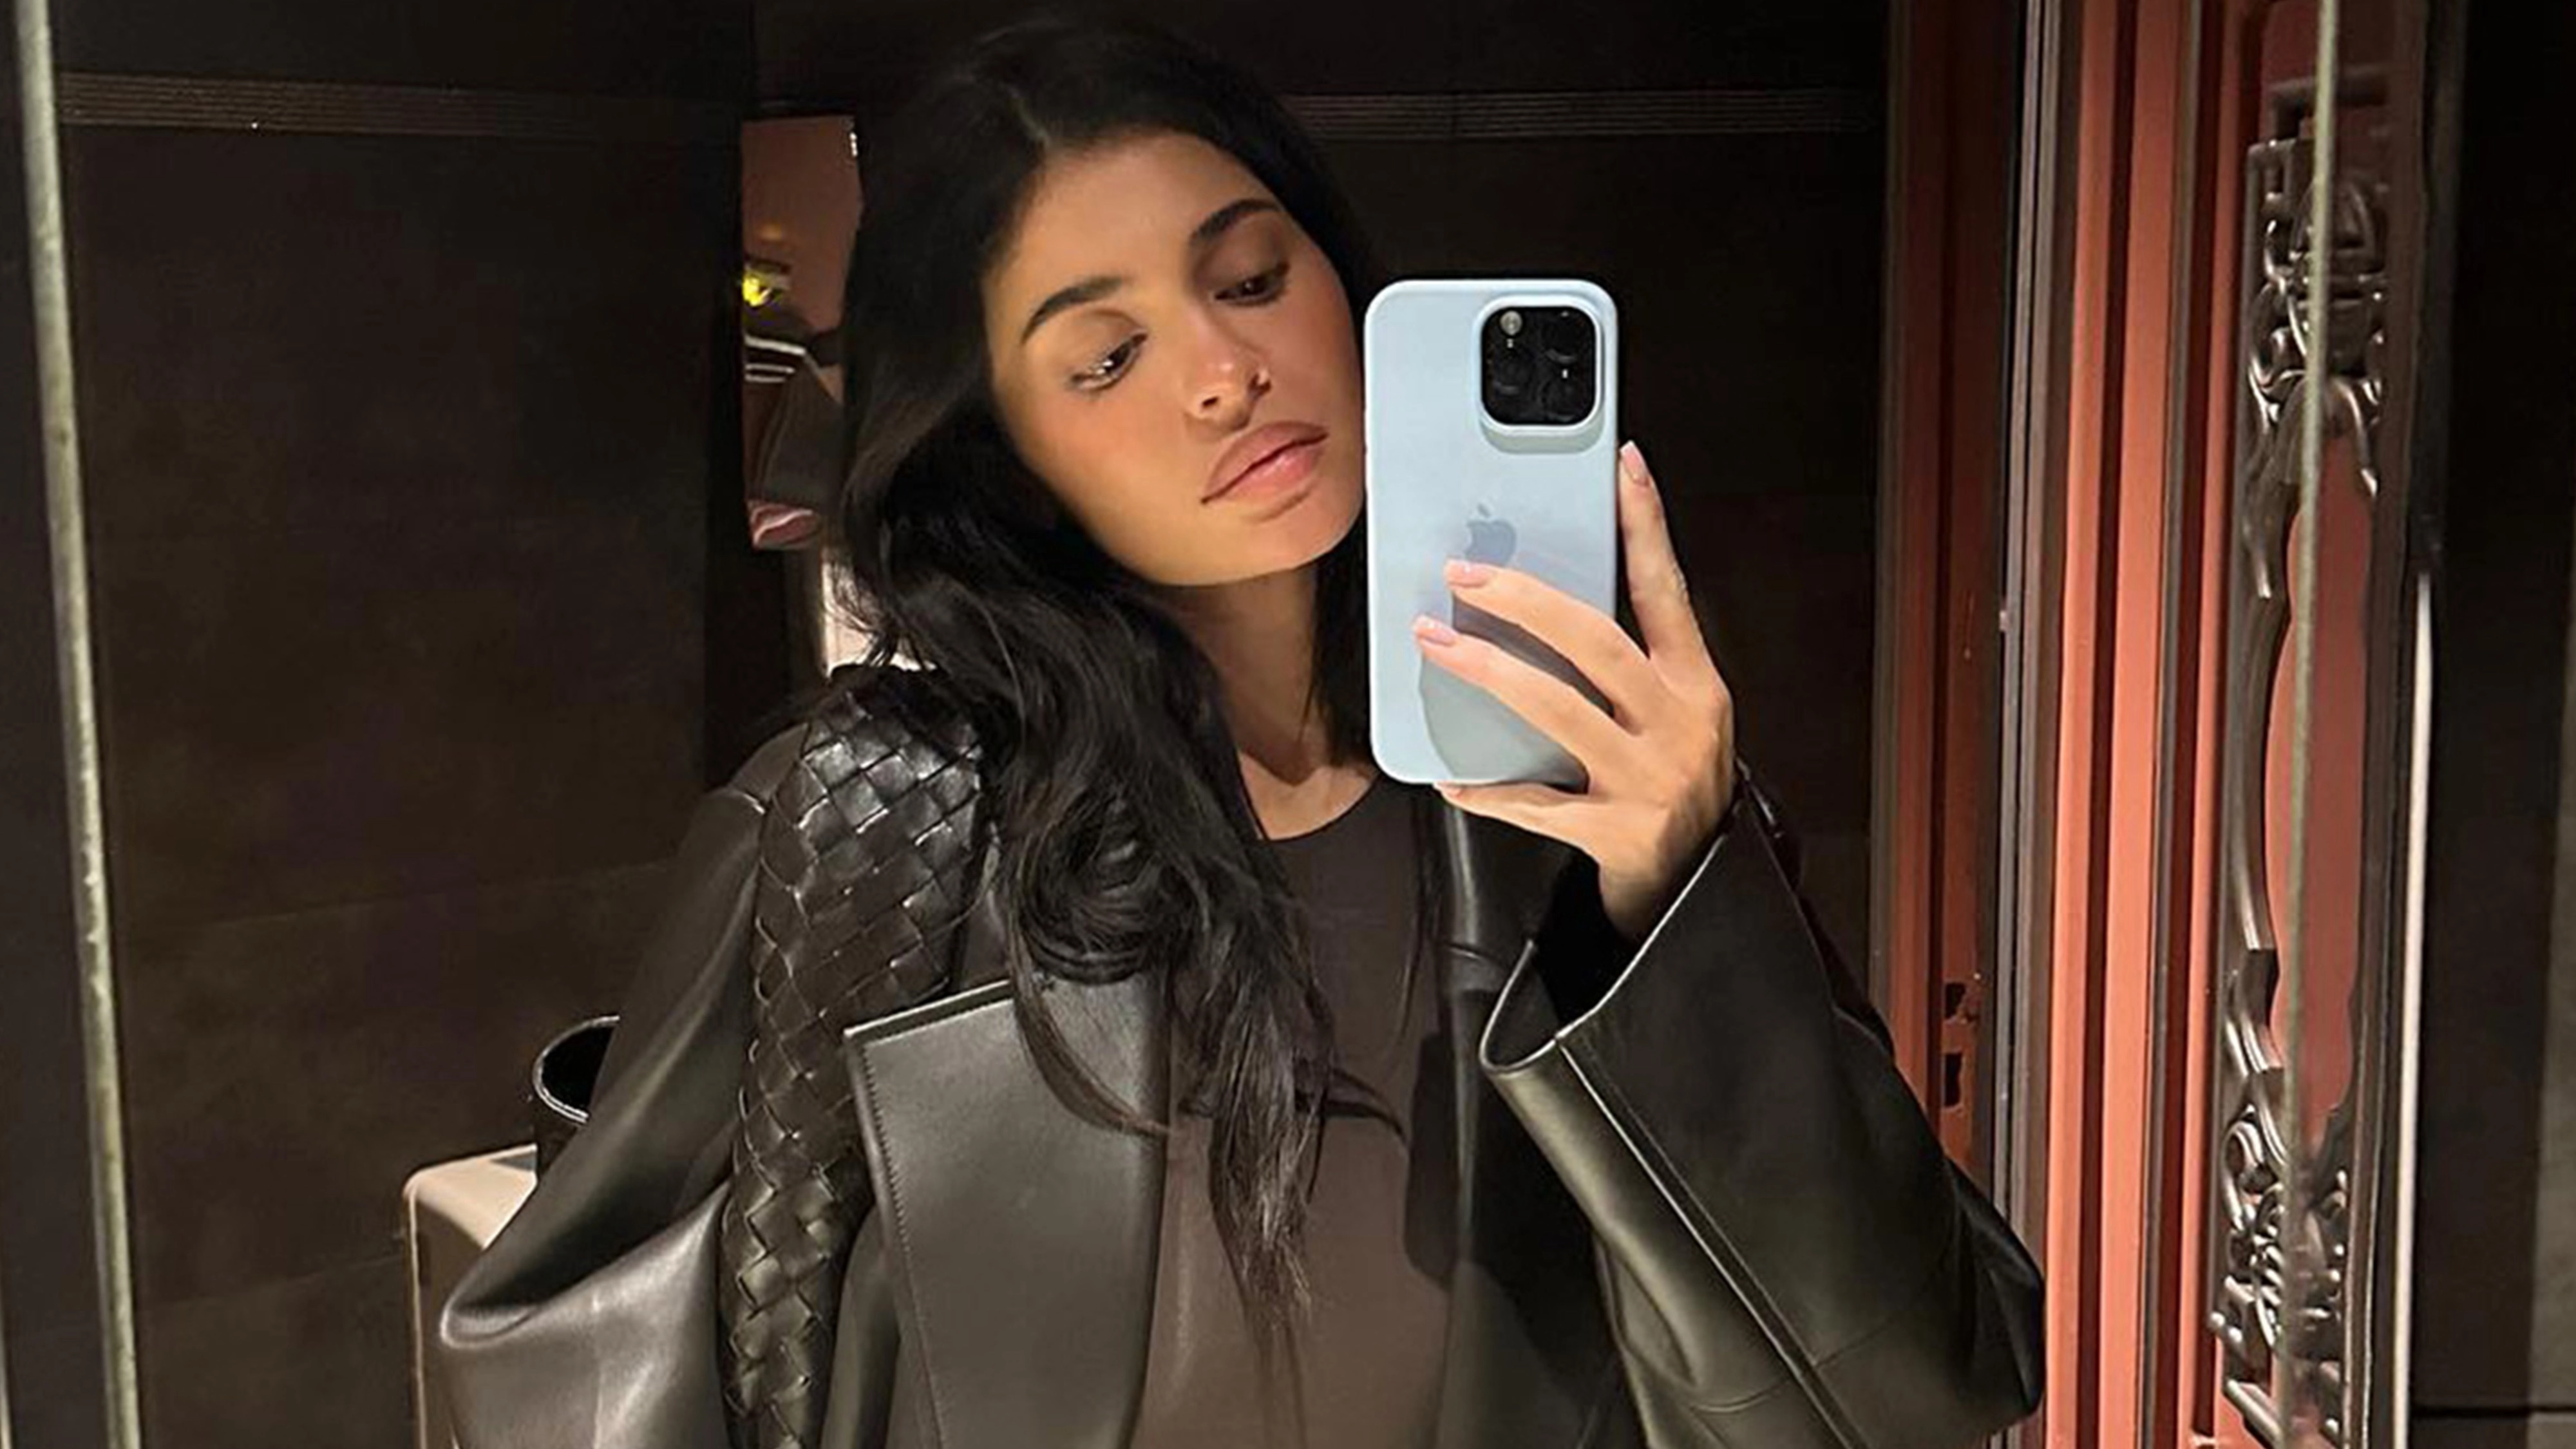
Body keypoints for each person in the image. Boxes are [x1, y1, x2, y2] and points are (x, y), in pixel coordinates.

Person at [434, 10, 2045, 1448]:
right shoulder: (879, 822)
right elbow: (572, 1372)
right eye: (1105, 354)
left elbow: (1913, 1389)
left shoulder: (1572, 799)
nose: (1222, 372)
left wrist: (1680, 899)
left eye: (1252, 279)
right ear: (1001, 452)